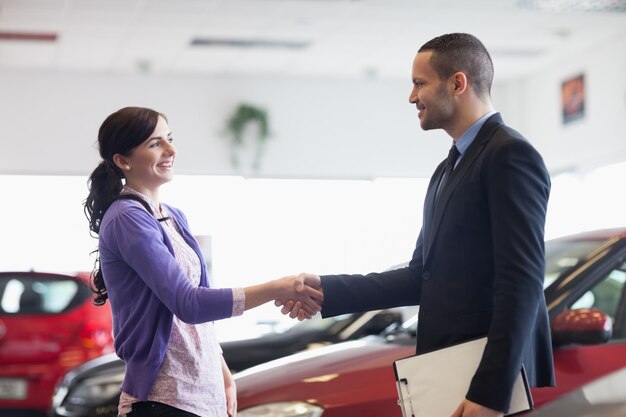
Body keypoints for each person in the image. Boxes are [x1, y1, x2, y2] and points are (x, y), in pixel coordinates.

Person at [277, 33, 555, 417]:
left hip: (485, 382)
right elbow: (420, 276)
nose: (412, 97)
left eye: (419, 83)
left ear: (458, 83)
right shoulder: (447, 168)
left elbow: (521, 282)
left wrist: (491, 393)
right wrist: (326, 290)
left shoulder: (509, 155)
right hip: (447, 371)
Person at [84, 106, 322, 417]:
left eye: (169, 139)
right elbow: (189, 304)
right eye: (154, 143)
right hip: (164, 397)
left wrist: (221, 371)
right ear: (122, 160)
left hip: (203, 393)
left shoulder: (172, 216)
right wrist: (279, 287)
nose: (171, 150)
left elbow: (200, 315)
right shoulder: (127, 217)